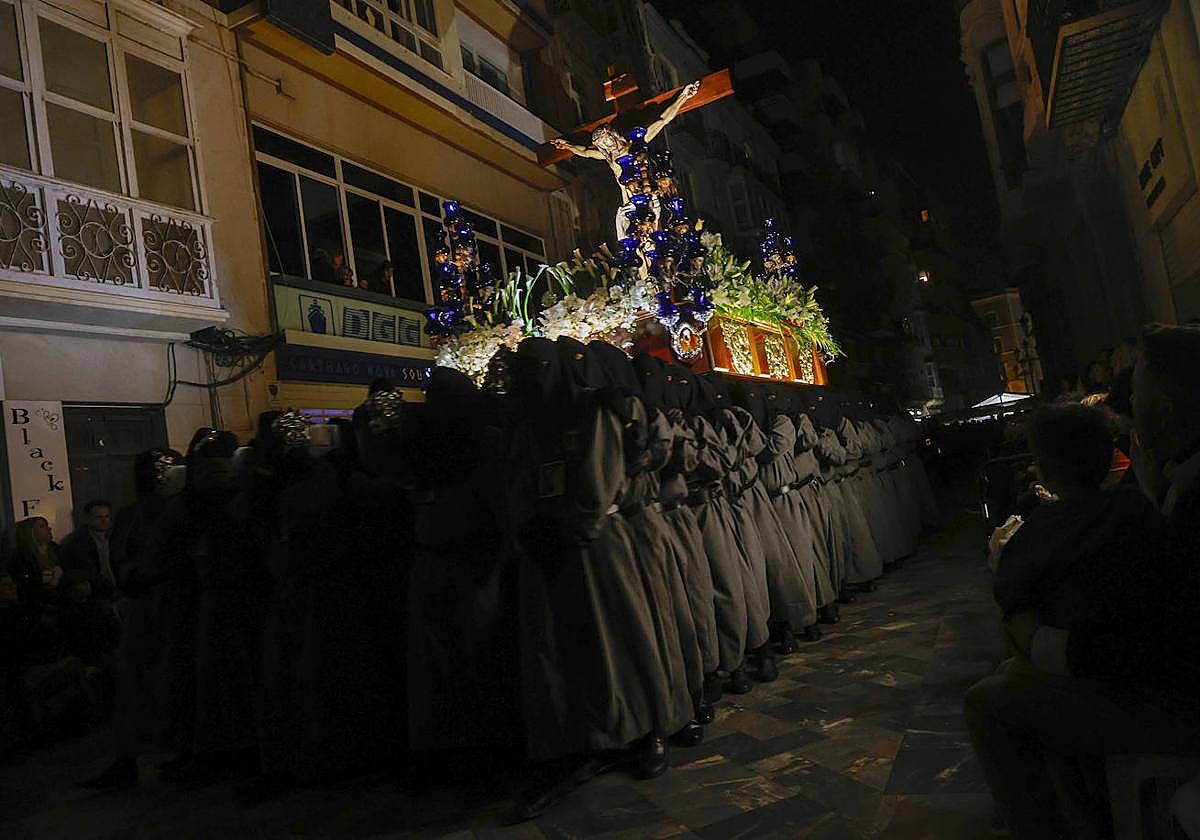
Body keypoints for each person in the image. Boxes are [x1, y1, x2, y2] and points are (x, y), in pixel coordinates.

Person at [965, 324, 1200, 839]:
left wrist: (1048, 644)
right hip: (1155, 670)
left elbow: (1171, 645)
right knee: (1009, 678)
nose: (1126, 410)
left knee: (990, 704)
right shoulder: (1159, 487)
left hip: (1179, 695)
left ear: (1163, 409)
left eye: (1135, 395)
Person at [990, 405, 1160, 652]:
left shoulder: (1041, 529)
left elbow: (1008, 591)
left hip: (1071, 660)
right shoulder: (1134, 505)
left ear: (1043, 469)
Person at [59, 500, 117, 601]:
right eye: (99, 517)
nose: (104, 521)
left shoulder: (118, 536)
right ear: (88, 518)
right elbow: (87, 570)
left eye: (106, 516)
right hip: (95, 595)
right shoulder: (76, 542)